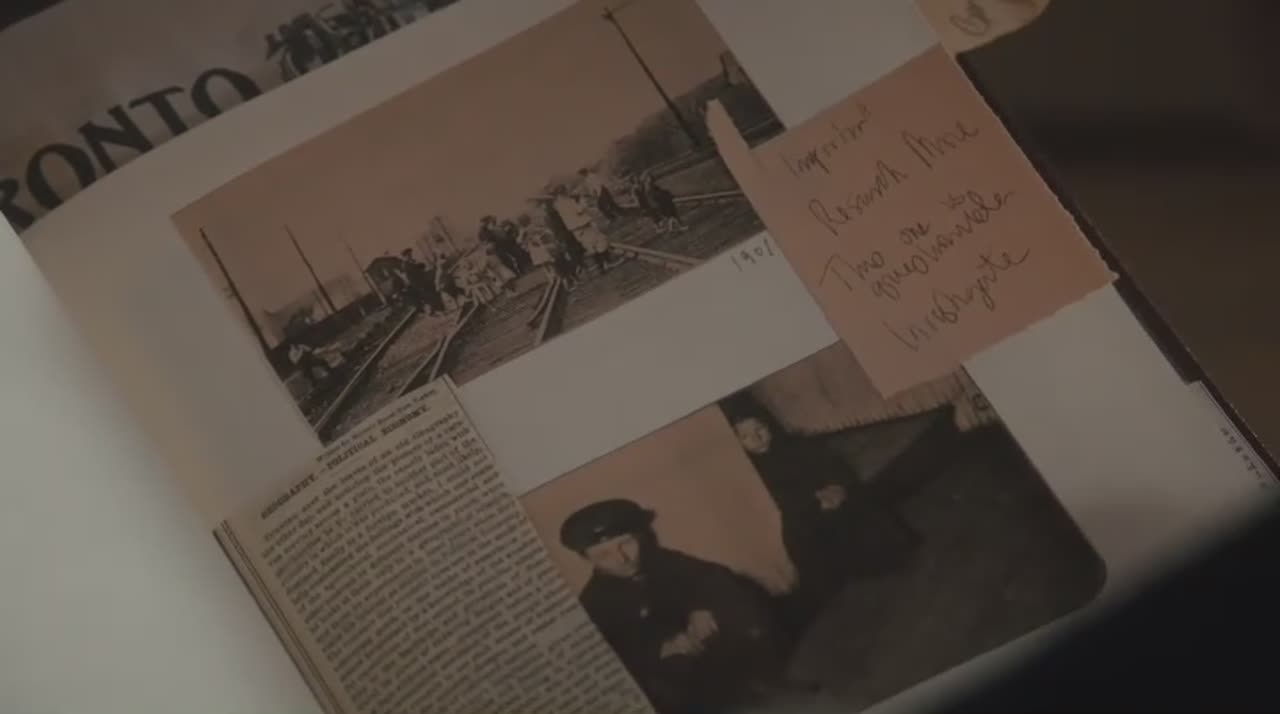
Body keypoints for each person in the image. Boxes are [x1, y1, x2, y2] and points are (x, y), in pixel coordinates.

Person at [561, 499, 791, 714]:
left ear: (640, 537)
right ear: (586, 559)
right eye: (604, 554)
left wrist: (700, 606)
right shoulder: (593, 603)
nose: (622, 559)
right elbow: (611, 659)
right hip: (673, 682)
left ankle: (763, 679)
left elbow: (713, 575)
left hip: (712, 650)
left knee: (739, 605)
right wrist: (664, 648)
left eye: (626, 543)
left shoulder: (660, 560)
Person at [719, 392, 921, 631]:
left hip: (832, 498)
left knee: (861, 511)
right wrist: (813, 501)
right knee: (803, 539)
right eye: (745, 437)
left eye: (760, 429)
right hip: (805, 514)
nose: (757, 439)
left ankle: (876, 557)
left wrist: (836, 486)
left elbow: (833, 465)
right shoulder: (752, 474)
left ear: (769, 424)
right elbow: (779, 499)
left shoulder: (796, 445)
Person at [517, 214, 575, 290]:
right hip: (541, 249)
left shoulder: (526, 230)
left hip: (537, 250)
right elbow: (546, 232)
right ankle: (559, 281)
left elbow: (519, 241)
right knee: (551, 264)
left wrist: (527, 239)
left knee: (547, 265)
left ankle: (555, 280)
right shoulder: (530, 228)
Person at [571, 191, 621, 274]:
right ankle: (606, 263)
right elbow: (580, 210)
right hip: (584, 228)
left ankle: (603, 266)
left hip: (583, 229)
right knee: (600, 242)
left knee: (595, 246)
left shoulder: (571, 207)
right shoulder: (574, 207)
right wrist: (583, 205)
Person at [541, 189, 585, 279]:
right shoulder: (552, 211)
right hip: (564, 232)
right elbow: (557, 225)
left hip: (563, 232)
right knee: (573, 249)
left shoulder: (550, 211)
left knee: (573, 249)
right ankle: (578, 266)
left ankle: (579, 265)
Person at [398, 248, 445, 315]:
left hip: (423, 281)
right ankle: (438, 310)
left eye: (410, 254)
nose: (410, 256)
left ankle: (437, 309)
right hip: (420, 284)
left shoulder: (411, 262)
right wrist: (419, 286)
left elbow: (420, 268)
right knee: (431, 296)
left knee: (434, 292)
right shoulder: (405, 265)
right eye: (408, 255)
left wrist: (420, 265)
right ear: (404, 256)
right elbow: (411, 278)